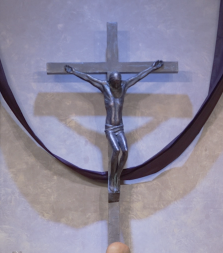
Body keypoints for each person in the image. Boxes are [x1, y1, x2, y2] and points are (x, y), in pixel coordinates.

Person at [64, 61, 164, 202]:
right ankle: (112, 178)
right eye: (115, 82)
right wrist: (74, 72)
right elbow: (88, 78)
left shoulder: (124, 86)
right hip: (110, 128)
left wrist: (152, 68)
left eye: (119, 82)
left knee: (126, 151)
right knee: (116, 151)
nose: (117, 85)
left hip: (120, 127)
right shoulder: (105, 87)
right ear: (110, 82)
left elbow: (138, 77)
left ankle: (117, 174)